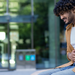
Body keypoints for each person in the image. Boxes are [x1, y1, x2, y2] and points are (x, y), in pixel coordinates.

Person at [31, 0, 75, 75]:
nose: (61, 17)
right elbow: (68, 53)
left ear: (73, 9)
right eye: (59, 15)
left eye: (62, 13)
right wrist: (70, 55)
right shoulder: (68, 30)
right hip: (72, 65)